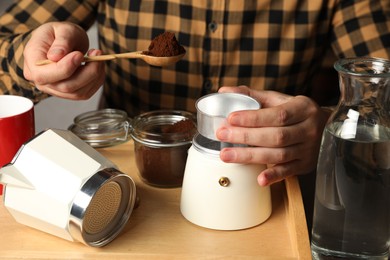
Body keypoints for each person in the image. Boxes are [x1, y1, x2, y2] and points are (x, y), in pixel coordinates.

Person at [0, 0, 389, 190]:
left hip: (262, 179)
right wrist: (32, 60)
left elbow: (382, 89)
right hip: (129, 177)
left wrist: (329, 128)